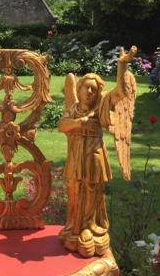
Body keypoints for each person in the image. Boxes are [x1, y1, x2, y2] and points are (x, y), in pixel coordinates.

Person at [58, 46, 136, 258]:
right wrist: (80, 122)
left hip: (94, 153)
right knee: (75, 187)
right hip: (77, 153)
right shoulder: (74, 108)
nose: (89, 92)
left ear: (98, 92)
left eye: (93, 89)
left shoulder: (102, 105)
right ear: (79, 88)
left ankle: (89, 227)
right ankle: (74, 226)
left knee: (92, 189)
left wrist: (121, 65)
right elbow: (62, 125)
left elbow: (121, 92)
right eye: (86, 88)